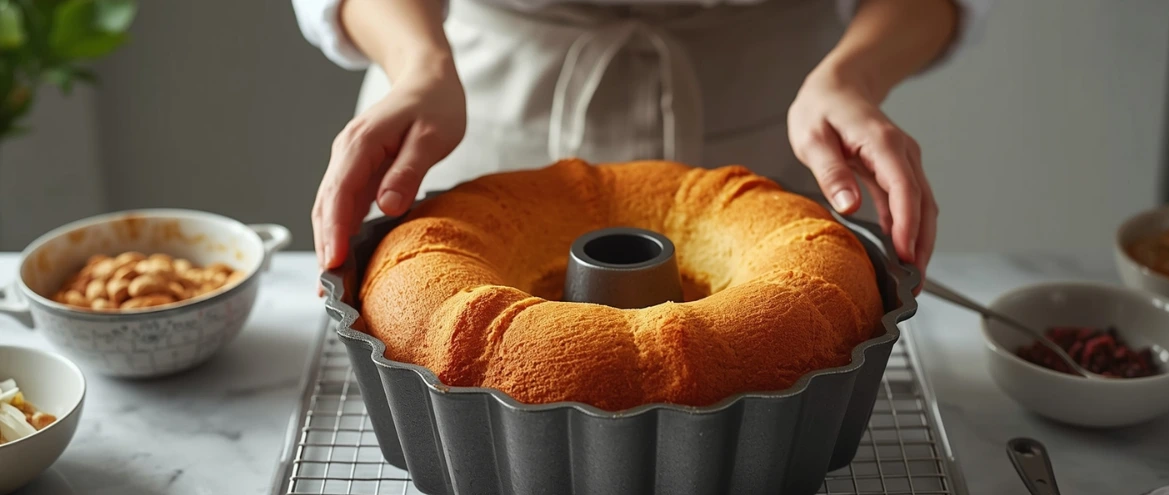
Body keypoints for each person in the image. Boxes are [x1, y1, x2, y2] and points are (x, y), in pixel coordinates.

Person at [293, 0, 990, 280]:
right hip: (476, 116)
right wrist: (417, 65)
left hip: (778, 126)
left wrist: (854, 73)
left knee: (780, 337)